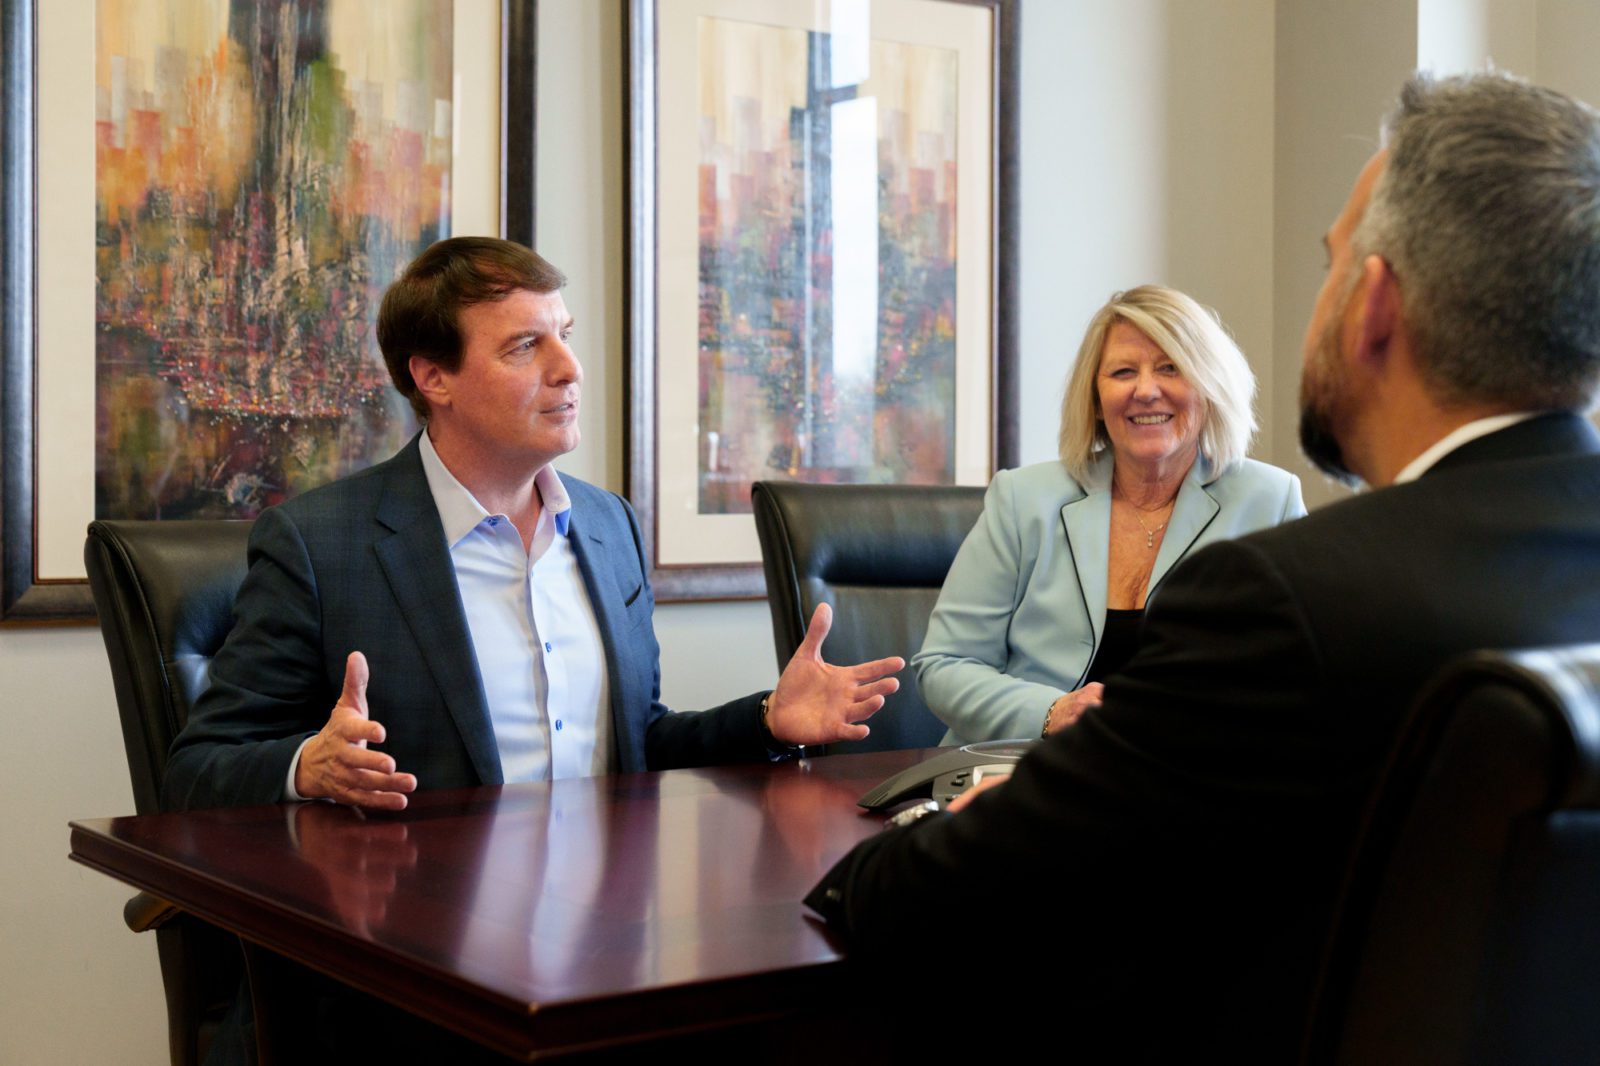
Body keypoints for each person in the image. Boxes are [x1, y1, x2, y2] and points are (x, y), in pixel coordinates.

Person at [807, 71, 1600, 1062]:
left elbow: (958, 889)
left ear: (1373, 305)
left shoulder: (1284, 595)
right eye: (1122, 370)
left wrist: (861, 873)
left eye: (1327, 264)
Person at [163, 237, 902, 813]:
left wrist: (769, 718)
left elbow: (635, 743)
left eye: (564, 335)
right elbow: (199, 769)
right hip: (418, 944)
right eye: (526, 346)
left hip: (602, 925)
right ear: (434, 377)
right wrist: (309, 768)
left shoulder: (609, 526)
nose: (570, 367)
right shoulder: (320, 545)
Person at [915, 286, 1304, 744]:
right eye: (1123, 372)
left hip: (1193, 781)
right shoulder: (1023, 499)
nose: (1146, 390)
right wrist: (1052, 711)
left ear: (1208, 387)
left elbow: (1302, 673)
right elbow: (944, 665)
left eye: (1170, 368)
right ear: (1097, 401)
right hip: (1022, 770)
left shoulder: (1269, 501)